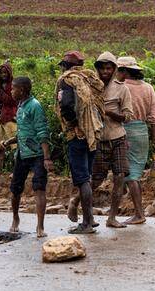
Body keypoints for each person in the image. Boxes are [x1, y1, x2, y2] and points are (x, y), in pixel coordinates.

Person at [56, 50, 104, 234]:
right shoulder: (88, 78)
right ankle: (90, 218)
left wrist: (75, 125)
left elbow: (66, 105)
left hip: (78, 135)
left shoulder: (67, 80)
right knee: (87, 176)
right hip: (93, 133)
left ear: (65, 66)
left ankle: (86, 223)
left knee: (82, 179)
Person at [1, 77, 51, 237]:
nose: (11, 91)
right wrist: (9, 141)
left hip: (37, 154)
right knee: (15, 189)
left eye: (13, 89)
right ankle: (15, 218)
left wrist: (46, 158)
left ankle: (40, 226)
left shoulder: (35, 106)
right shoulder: (21, 106)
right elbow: (23, 132)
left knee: (39, 188)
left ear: (21, 90)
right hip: (22, 154)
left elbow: (42, 132)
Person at [89, 51, 133, 229]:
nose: (105, 72)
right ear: (97, 70)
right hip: (99, 139)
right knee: (96, 179)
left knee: (120, 177)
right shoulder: (91, 88)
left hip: (118, 137)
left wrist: (109, 113)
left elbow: (128, 116)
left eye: (109, 68)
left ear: (114, 69)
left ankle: (112, 217)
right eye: (102, 68)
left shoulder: (122, 88)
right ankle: (75, 202)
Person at [117, 56, 155, 225]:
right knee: (133, 172)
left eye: (119, 70)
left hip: (124, 131)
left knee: (130, 175)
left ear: (125, 71)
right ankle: (132, 208)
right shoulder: (148, 88)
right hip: (142, 131)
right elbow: (154, 116)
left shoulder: (121, 88)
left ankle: (138, 213)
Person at [0, 61, 17, 176]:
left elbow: (10, 101)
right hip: (0, 118)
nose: (3, 75)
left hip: (11, 117)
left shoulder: (14, 85)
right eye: (1, 73)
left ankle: (16, 170)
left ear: (9, 73)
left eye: (5, 73)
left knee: (14, 144)